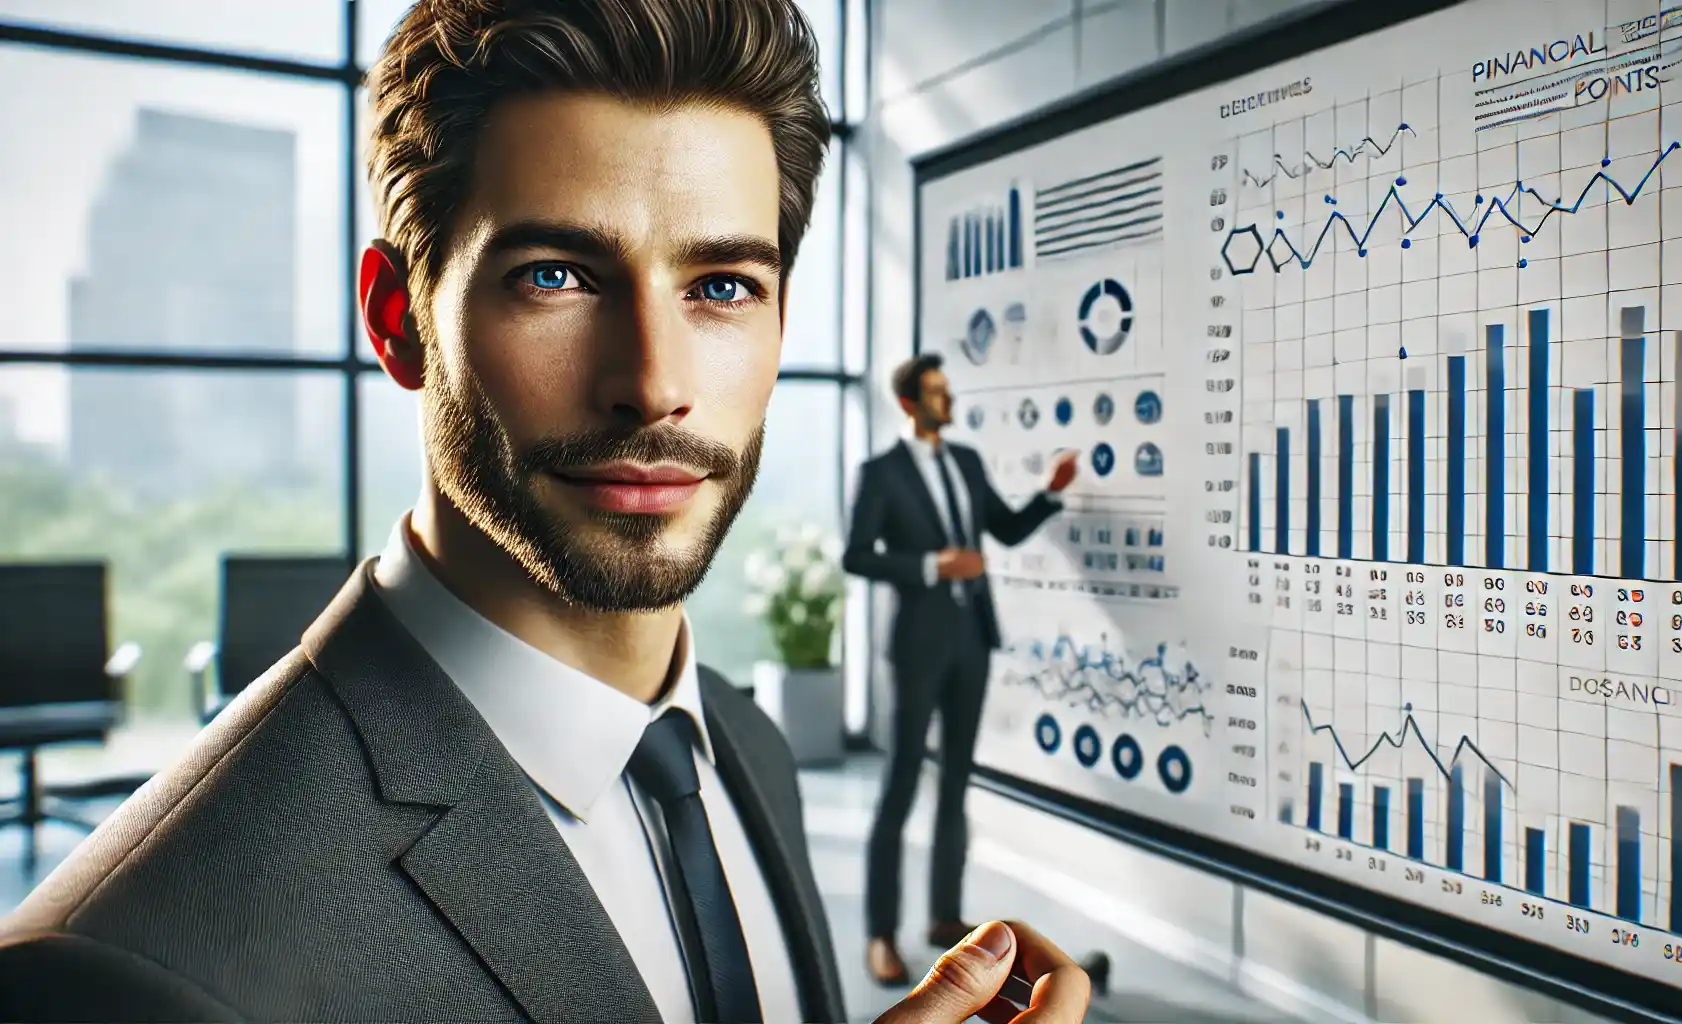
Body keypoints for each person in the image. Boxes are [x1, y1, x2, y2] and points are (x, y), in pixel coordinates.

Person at [0, 3, 1090, 1022]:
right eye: (557, 275)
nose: (653, 382)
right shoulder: (120, 968)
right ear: (398, 322)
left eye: (719, 287)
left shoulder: (743, 748)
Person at [845, 352, 1077, 987]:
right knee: (898, 788)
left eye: (947, 391)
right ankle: (881, 935)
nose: (948, 401)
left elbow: (1002, 529)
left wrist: (1050, 494)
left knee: (955, 784)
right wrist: (931, 565)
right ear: (909, 403)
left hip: (972, 640)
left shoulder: (967, 461)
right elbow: (857, 556)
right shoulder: (881, 473)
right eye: (937, 392)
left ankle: (945, 918)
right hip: (918, 644)